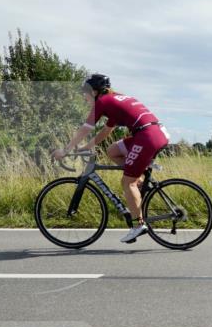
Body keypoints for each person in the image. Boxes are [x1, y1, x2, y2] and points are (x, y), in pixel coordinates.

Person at [53, 74, 170, 243]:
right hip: (155, 132)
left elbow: (85, 128)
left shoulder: (103, 102)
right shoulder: (114, 100)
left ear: (94, 92)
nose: (84, 97)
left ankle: (138, 225)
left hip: (147, 137)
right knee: (113, 150)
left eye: (85, 93)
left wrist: (65, 150)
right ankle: (138, 182)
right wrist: (86, 147)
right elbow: (106, 131)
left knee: (126, 182)